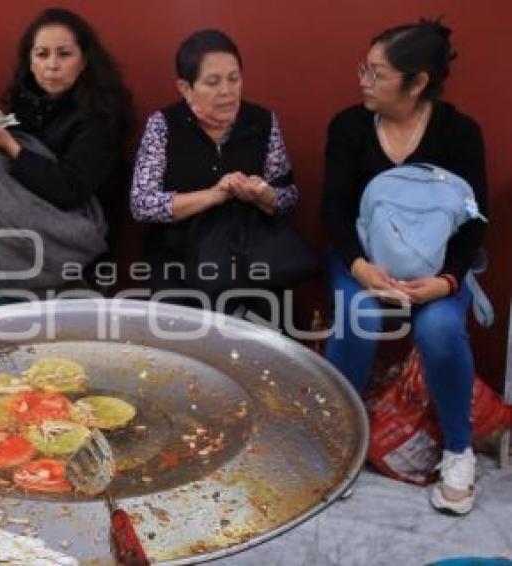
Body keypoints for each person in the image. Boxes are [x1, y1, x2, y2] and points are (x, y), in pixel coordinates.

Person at [321, 19, 489, 515]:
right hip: (361, 261)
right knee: (359, 318)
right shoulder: (349, 126)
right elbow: (333, 208)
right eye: (364, 69)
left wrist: (445, 282)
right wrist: (360, 268)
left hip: (436, 269)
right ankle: (342, 443)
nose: (364, 82)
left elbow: (475, 222)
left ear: (417, 82)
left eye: (377, 74)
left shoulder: (460, 133)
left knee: (440, 329)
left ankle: (459, 451)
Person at [0, 7, 132, 307]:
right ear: (30, 61)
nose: (52, 65)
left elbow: (69, 189)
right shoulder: (27, 101)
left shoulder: (100, 117)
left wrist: (11, 146)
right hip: (16, 232)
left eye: (64, 54)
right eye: (42, 54)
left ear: (84, 60)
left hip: (72, 243)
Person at [129, 29, 299, 321]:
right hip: (178, 257)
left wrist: (263, 195)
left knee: (267, 337)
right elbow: (142, 204)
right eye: (213, 82)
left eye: (234, 79)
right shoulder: (164, 126)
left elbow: (288, 197)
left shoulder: (262, 122)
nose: (227, 91)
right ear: (185, 88)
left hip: (248, 254)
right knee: (183, 339)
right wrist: (214, 195)